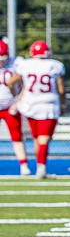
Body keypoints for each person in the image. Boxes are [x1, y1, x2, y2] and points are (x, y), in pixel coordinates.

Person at [9, 41, 66, 179]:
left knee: (37, 139)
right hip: (48, 104)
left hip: (30, 104)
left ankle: (40, 167)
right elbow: (61, 90)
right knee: (44, 139)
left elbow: (11, 82)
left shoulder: (25, 64)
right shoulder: (55, 65)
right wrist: (63, 104)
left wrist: (16, 96)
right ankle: (41, 168)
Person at [0, 40, 31, 176]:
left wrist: (18, 102)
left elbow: (26, 85)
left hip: (10, 106)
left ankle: (23, 165)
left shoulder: (17, 63)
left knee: (17, 137)